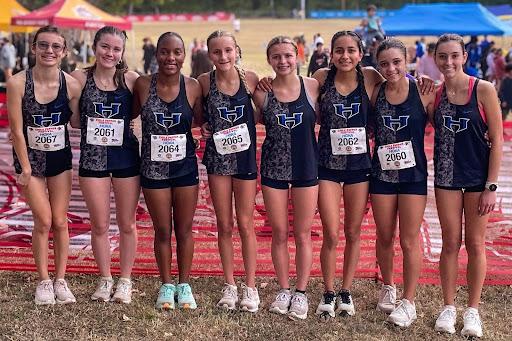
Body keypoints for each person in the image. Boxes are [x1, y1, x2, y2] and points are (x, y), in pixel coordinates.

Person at [432, 34, 503, 338]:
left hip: (477, 178)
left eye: (454, 56)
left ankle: (472, 311)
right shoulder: (433, 93)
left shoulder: (483, 89)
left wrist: (491, 185)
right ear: (435, 59)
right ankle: (448, 307)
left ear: (464, 57)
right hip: (446, 177)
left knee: (475, 244)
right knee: (450, 243)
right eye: (442, 57)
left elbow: (498, 139)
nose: (448, 62)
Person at [7, 25, 82, 305]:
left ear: (63, 52)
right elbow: (16, 131)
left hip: (60, 160)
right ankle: (43, 281)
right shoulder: (17, 83)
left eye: (55, 46)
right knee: (44, 220)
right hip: (30, 162)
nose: (49, 51)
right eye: (43, 45)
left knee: (61, 221)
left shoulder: (71, 85)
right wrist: (25, 168)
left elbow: (77, 119)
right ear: (33, 47)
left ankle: (60, 280)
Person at [312, 31, 384, 318]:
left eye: (351, 50)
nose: (345, 56)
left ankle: (346, 291)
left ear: (360, 53)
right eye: (339, 50)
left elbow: (401, 83)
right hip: (326, 165)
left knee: (354, 232)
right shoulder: (320, 78)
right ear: (331, 54)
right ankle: (328, 292)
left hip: (359, 166)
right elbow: (289, 89)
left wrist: (424, 81)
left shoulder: (370, 77)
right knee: (331, 232)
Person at [133, 31, 204, 310]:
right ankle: (166, 284)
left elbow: (200, 120)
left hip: (185, 167)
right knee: (162, 230)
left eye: (177, 52)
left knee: (184, 230)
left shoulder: (194, 86)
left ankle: (184, 285)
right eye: (164, 52)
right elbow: (127, 114)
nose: (170, 58)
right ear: (156, 54)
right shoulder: (141, 84)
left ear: (184, 55)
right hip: (152, 170)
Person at [70, 26, 140, 304]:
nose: (110, 53)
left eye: (116, 49)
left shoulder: (132, 80)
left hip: (126, 159)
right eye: (105, 47)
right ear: (94, 47)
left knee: (127, 223)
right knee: (99, 225)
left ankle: (124, 280)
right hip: (93, 160)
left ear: (122, 52)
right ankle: (105, 278)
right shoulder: (78, 78)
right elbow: (74, 119)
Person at [252, 36, 320, 320]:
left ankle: (301, 293)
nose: (283, 61)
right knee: (279, 233)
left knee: (303, 234)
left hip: (307, 167)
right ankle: (283, 289)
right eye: (276, 56)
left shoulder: (313, 86)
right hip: (273, 170)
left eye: (288, 56)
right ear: (269, 60)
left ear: (297, 56)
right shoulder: (261, 92)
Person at [370, 37, 436, 327]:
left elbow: (446, 123)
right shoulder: (375, 91)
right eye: (384, 63)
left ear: (407, 60)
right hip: (381, 176)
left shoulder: (423, 92)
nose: (391, 68)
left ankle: (408, 301)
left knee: (409, 240)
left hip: (413, 177)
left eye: (397, 62)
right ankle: (388, 285)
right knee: (384, 236)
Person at [197, 30, 260, 312]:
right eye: (217, 52)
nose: (223, 56)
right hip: (218, 162)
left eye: (228, 50)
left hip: (245, 160)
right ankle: (230, 284)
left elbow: (264, 111)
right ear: (209, 55)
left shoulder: (253, 79)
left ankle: (250, 286)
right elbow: (199, 117)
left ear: (237, 51)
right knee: (224, 224)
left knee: (246, 224)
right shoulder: (204, 82)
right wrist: (203, 127)